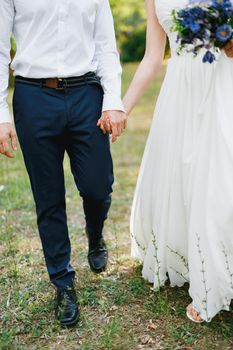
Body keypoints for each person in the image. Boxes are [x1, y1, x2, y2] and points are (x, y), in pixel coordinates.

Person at [0, 0, 126, 327]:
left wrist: (113, 100)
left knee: (98, 187)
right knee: (48, 197)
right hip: (33, 96)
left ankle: (95, 234)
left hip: (86, 93)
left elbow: (105, 48)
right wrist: (1, 115)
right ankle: (63, 282)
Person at [122, 0, 233, 323]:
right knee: (187, 177)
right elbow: (152, 57)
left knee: (217, 176)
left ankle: (213, 280)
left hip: (221, 86)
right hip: (179, 91)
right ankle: (198, 265)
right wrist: (121, 108)